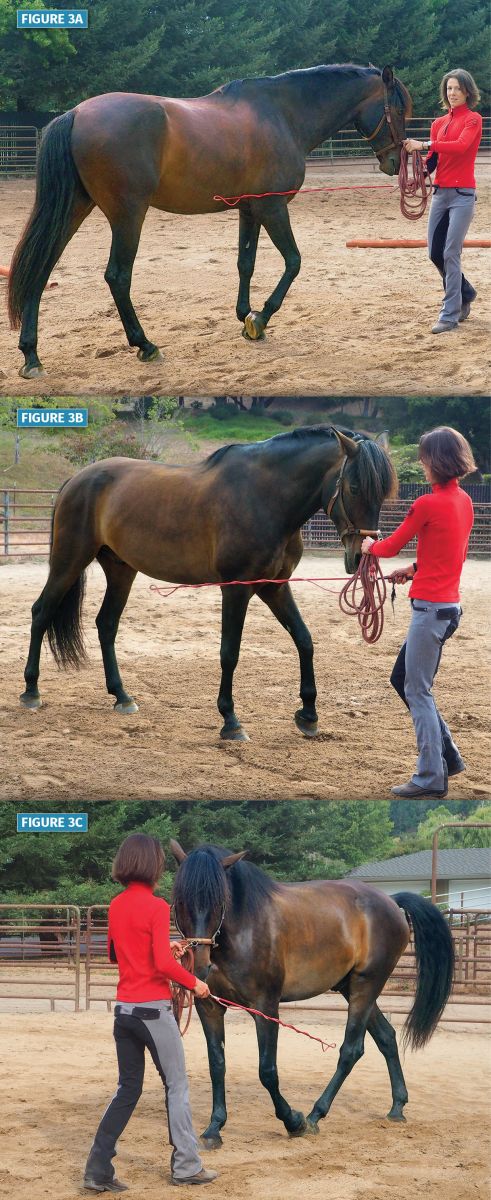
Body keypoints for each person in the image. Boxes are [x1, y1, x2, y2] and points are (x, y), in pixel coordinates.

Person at [83, 834, 217, 1192]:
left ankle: (97, 1168)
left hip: (124, 1011)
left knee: (127, 1089)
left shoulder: (116, 905)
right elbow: (160, 964)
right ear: (153, 865)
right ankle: (186, 1166)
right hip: (153, 1012)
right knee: (177, 1085)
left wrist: (164, 946)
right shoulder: (157, 907)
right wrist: (195, 983)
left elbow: (116, 955)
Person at [361, 426, 475, 799]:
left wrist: (370, 546)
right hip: (447, 607)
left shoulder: (427, 503)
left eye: (424, 458)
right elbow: (452, 554)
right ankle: (448, 758)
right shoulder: (464, 501)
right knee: (402, 679)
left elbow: (390, 546)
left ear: (435, 461)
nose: (421, 464)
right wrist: (414, 570)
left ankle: (430, 777)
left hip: (429, 612)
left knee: (417, 690)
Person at [404, 69, 482, 334]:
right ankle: (465, 292)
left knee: (450, 252)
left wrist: (425, 144)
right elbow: (434, 160)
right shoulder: (438, 123)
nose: (452, 93)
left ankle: (450, 315)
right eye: (449, 88)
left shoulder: (473, 120)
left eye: (458, 88)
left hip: (462, 196)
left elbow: (460, 146)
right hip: (440, 194)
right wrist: (418, 175)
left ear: (467, 92)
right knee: (435, 252)